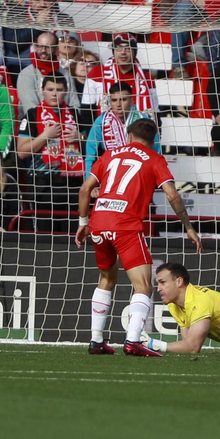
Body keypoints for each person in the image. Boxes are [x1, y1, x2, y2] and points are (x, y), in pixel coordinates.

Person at [75, 116, 202, 357]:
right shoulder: (155, 159)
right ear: (153, 142)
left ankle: (96, 340)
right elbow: (173, 195)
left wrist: (83, 223)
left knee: (106, 279)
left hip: (99, 222)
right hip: (126, 225)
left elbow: (84, 189)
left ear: (129, 137)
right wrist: (188, 226)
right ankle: (133, 340)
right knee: (143, 286)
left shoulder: (110, 154)